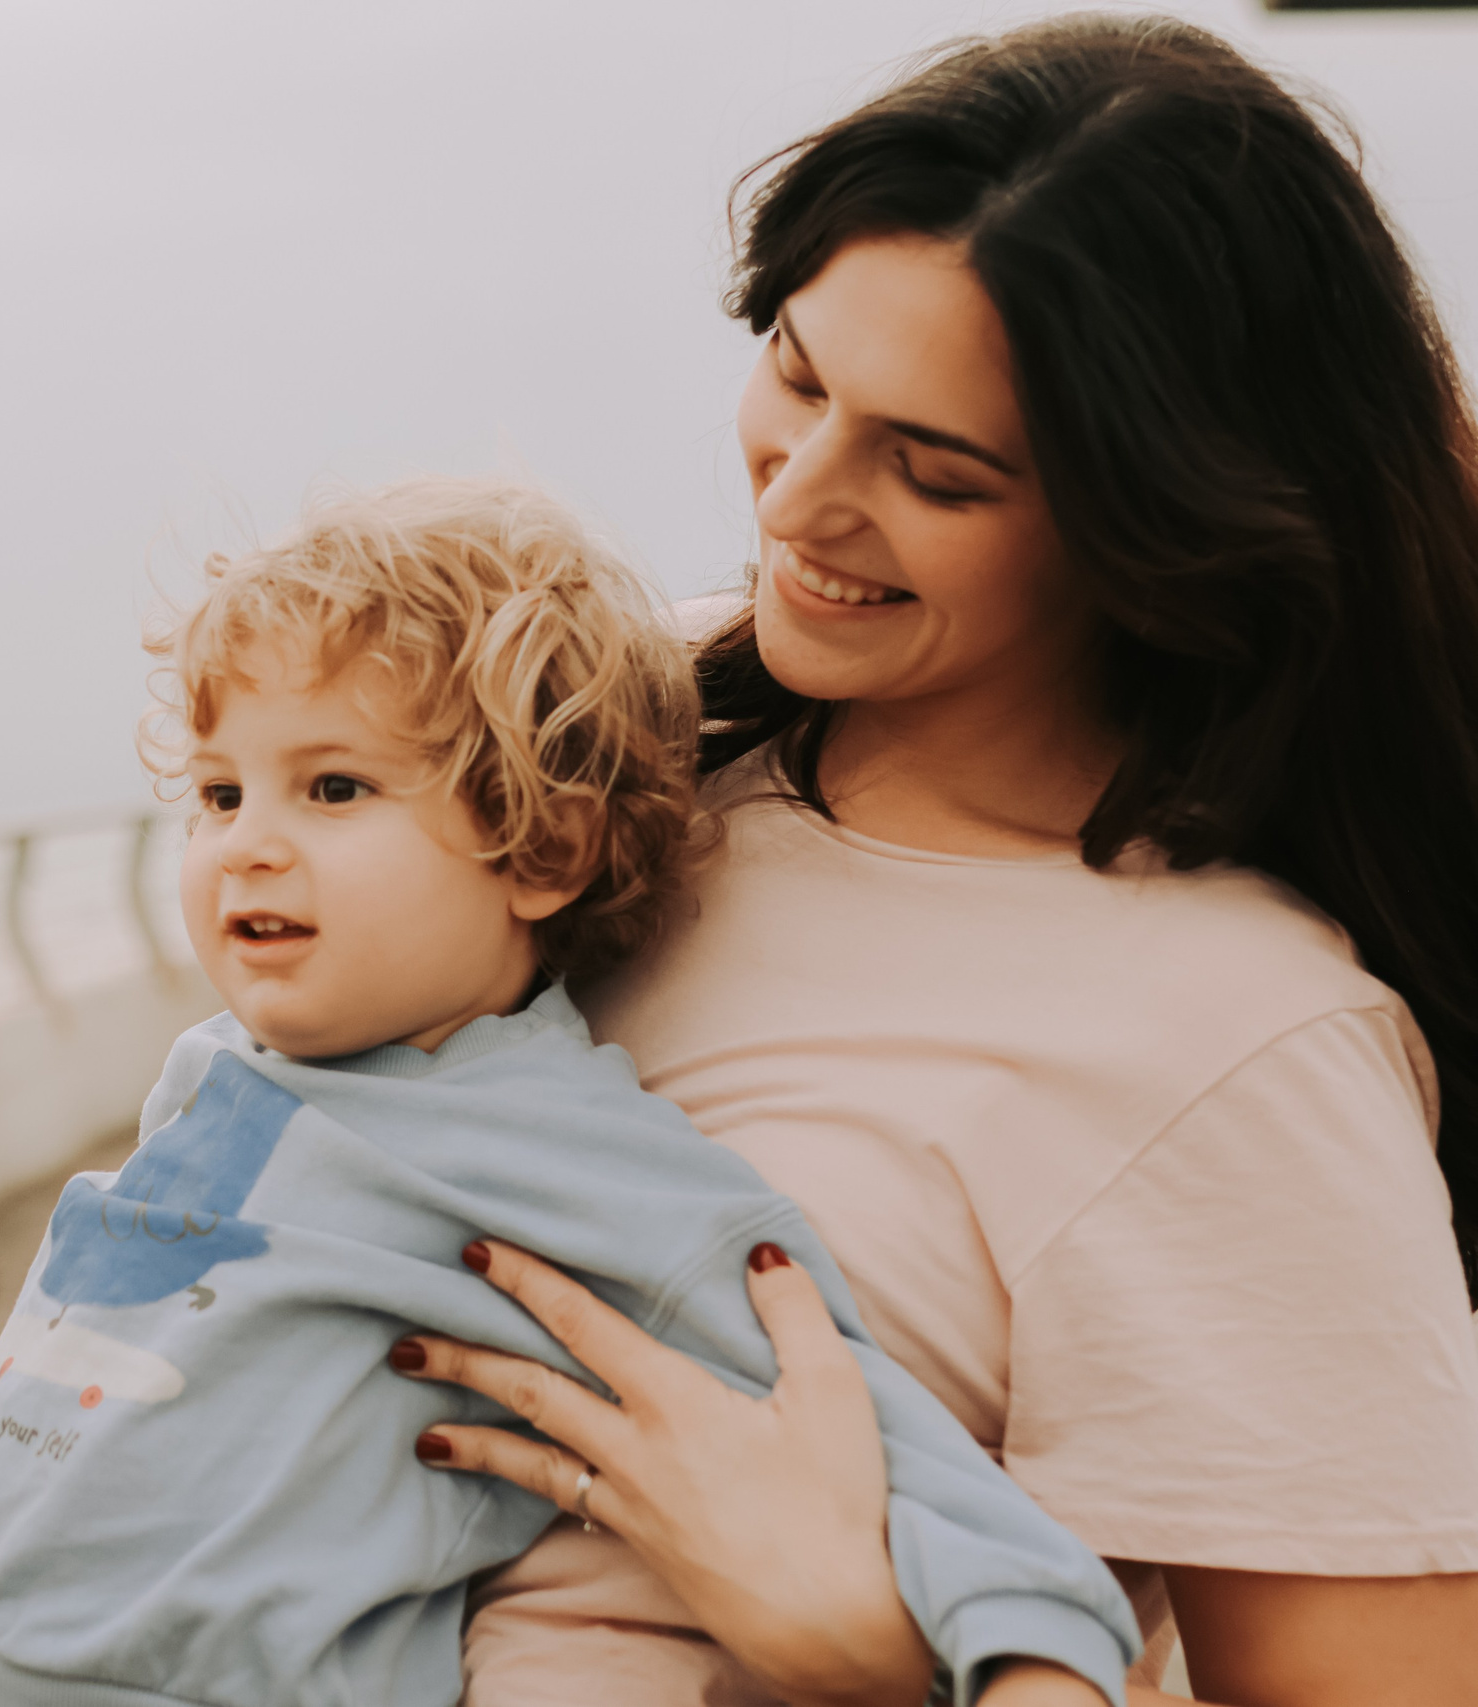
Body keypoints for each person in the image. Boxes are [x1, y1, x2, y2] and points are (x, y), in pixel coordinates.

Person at [387, 17, 1478, 1706]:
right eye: (804, 378)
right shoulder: (621, 739)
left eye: (939, 470)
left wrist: (875, 1657)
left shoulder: (1243, 1045)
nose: (800, 500)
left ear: (1160, 526)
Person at [0, 478, 1139, 1707]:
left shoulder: (564, 1150)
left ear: (542, 848)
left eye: (333, 788)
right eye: (221, 793)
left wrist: (1032, 1656)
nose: (246, 842)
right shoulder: (217, 1064)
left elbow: (883, 1439)